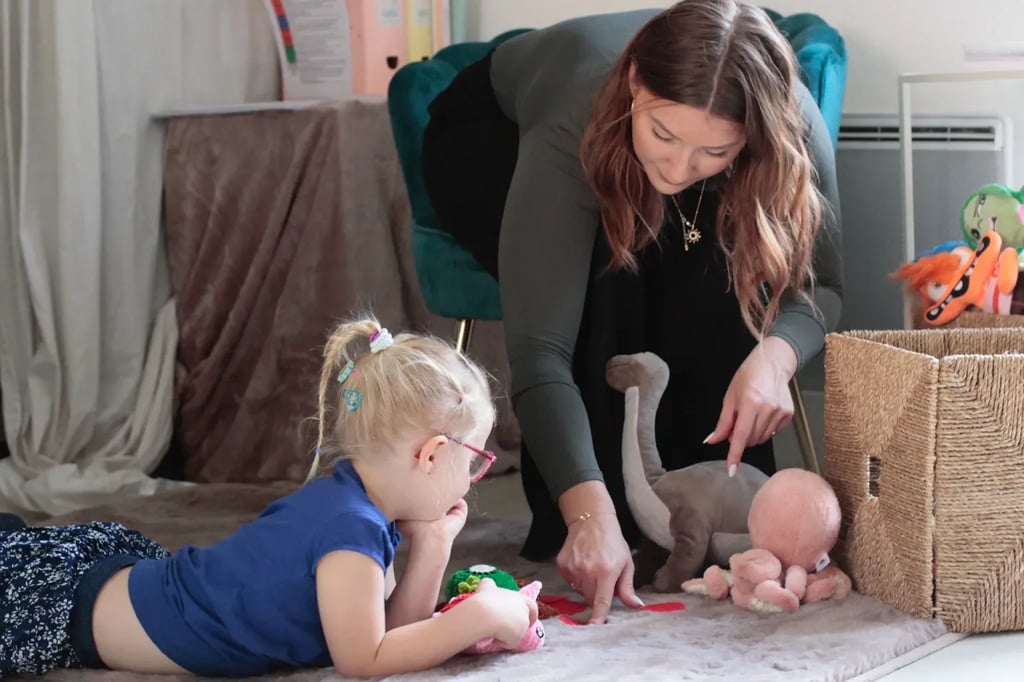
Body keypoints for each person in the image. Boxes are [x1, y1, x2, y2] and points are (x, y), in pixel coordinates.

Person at [421, 0, 843, 625]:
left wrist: (773, 360)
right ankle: (605, 507)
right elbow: (541, 351)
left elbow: (824, 288)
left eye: (715, 153)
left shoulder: (792, 127)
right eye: (664, 136)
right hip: (489, 134)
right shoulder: (581, 112)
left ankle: (699, 515)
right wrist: (588, 514)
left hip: (637, 123)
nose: (678, 169)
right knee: (606, 265)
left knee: (717, 255)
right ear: (637, 90)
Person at [0, 318, 540, 678]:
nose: (474, 477)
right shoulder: (348, 532)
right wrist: (482, 615)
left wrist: (433, 546)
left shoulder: (358, 508)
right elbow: (364, 660)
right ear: (431, 454)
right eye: (475, 461)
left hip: (116, 583)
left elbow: (391, 632)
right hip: (70, 607)